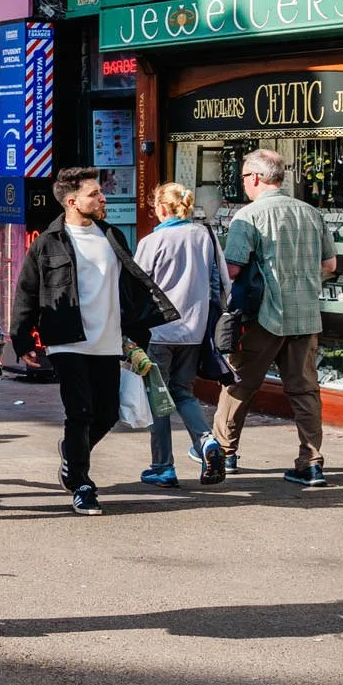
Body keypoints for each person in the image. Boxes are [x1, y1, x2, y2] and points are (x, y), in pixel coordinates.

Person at [12, 167, 176, 516]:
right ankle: (83, 484)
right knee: (80, 412)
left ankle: (72, 456)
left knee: (107, 412)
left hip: (108, 340)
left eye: (100, 193)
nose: (103, 199)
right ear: (72, 201)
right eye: (94, 194)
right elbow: (26, 291)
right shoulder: (48, 243)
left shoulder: (112, 236)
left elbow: (132, 288)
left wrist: (136, 332)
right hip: (67, 341)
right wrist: (22, 337)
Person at [214, 147, 336, 487]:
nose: (244, 184)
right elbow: (329, 266)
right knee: (305, 391)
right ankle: (310, 462)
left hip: (264, 315)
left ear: (254, 177)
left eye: (243, 178)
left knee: (239, 384)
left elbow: (234, 268)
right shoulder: (311, 213)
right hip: (306, 315)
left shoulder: (248, 216)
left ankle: (224, 453)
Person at [136, 181, 224, 488]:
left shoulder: (152, 242)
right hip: (195, 330)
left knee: (158, 398)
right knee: (184, 392)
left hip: (160, 332)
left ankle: (162, 466)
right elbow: (219, 282)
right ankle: (208, 443)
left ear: (162, 208)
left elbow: (138, 287)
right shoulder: (205, 235)